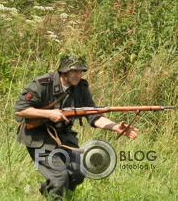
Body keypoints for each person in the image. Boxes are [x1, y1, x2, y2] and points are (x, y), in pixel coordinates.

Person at [14, 55, 138, 198]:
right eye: (74, 71)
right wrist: (48, 114)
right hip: (38, 137)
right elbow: (20, 109)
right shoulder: (42, 84)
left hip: (64, 136)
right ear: (63, 72)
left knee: (78, 173)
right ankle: (55, 192)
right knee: (59, 177)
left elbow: (93, 114)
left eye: (80, 72)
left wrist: (115, 127)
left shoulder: (81, 88)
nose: (78, 75)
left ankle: (48, 190)